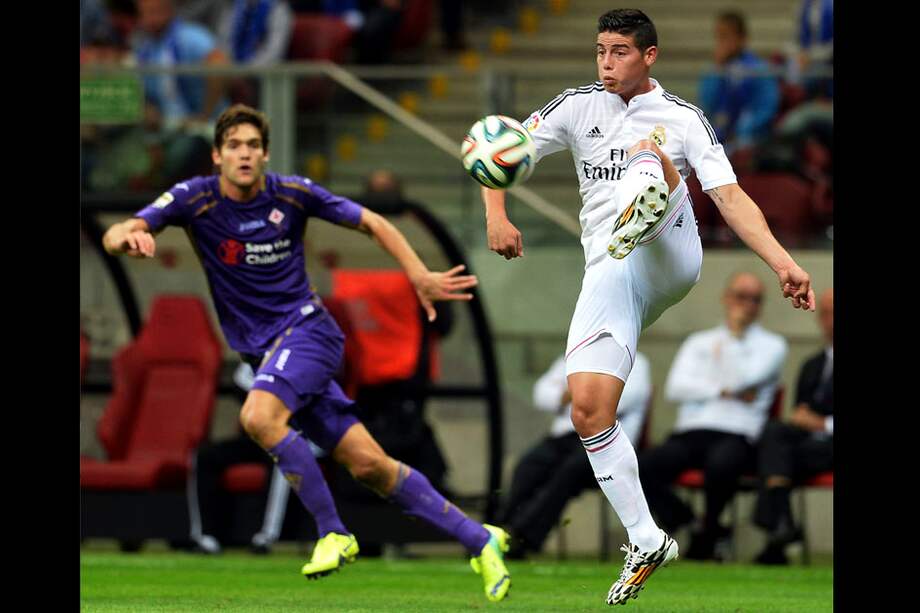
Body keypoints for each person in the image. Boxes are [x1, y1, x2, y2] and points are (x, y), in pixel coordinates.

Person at [102, 104, 511, 602]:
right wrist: (130, 237)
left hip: (307, 333)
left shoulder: (291, 193)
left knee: (257, 417)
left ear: (266, 154)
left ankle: (333, 532)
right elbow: (116, 231)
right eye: (234, 146)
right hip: (266, 353)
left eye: (253, 145)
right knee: (370, 466)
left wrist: (418, 274)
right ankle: (480, 537)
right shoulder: (195, 199)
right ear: (217, 156)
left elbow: (374, 223)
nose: (244, 154)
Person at [480, 8, 815, 606]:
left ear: (650, 55)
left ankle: (643, 202)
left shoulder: (682, 118)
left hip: (670, 253)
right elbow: (499, 148)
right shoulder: (577, 105)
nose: (607, 63)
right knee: (588, 410)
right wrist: (496, 214)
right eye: (601, 50)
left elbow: (731, 196)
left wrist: (783, 262)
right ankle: (646, 537)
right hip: (610, 269)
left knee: (645, 154)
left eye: (620, 52)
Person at [639, 273, 787, 561]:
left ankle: (708, 533)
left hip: (738, 433)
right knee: (642, 466)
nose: (747, 305)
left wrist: (731, 342)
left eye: (755, 299)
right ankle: (692, 522)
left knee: (722, 466)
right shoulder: (698, 341)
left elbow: (744, 378)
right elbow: (676, 389)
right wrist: (723, 391)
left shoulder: (773, 345)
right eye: (741, 296)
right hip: (691, 432)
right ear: (726, 298)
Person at [497, 352, 651, 559]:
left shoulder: (636, 362)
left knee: (567, 473)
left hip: (604, 442)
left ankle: (522, 538)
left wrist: (571, 391)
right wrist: (586, 391)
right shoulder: (575, 355)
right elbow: (542, 395)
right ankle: (497, 531)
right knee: (527, 466)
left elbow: (615, 403)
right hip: (564, 437)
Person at [753, 287, 833, 565]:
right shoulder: (813, 364)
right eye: (825, 314)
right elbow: (800, 412)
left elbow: (811, 418)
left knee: (773, 462)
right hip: (809, 448)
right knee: (774, 434)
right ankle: (782, 525)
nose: (830, 320)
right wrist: (805, 422)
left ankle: (778, 532)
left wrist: (823, 424)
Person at [698, 12, 779, 154]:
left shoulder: (759, 69)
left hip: (751, 139)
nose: (721, 43)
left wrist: (744, 129)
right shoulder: (715, 71)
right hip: (721, 135)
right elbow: (708, 103)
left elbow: (767, 107)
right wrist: (718, 69)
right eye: (719, 37)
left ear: (742, 39)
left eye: (726, 36)